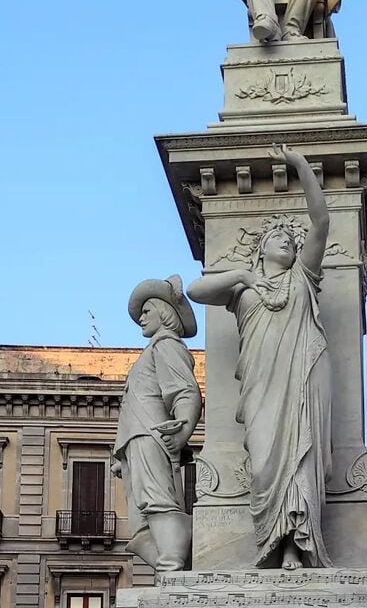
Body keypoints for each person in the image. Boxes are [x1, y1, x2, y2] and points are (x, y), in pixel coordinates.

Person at [188, 145, 331, 570]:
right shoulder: (242, 289)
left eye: (291, 240)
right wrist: (242, 275)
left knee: (299, 455)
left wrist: (301, 165)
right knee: (265, 462)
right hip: (259, 383)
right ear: (262, 249)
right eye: (278, 239)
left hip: (301, 377)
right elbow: (196, 291)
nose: (288, 242)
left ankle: (293, 546)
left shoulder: (303, 275)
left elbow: (322, 222)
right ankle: (269, 539)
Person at [111, 276, 202, 572]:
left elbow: (185, 390)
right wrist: (122, 454)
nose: (141, 318)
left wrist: (183, 429)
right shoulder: (152, 350)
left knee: (158, 501)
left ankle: (173, 567)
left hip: (152, 435)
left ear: (164, 313)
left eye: (146, 311)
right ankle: (172, 567)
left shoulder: (167, 345)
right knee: (142, 518)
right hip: (136, 439)